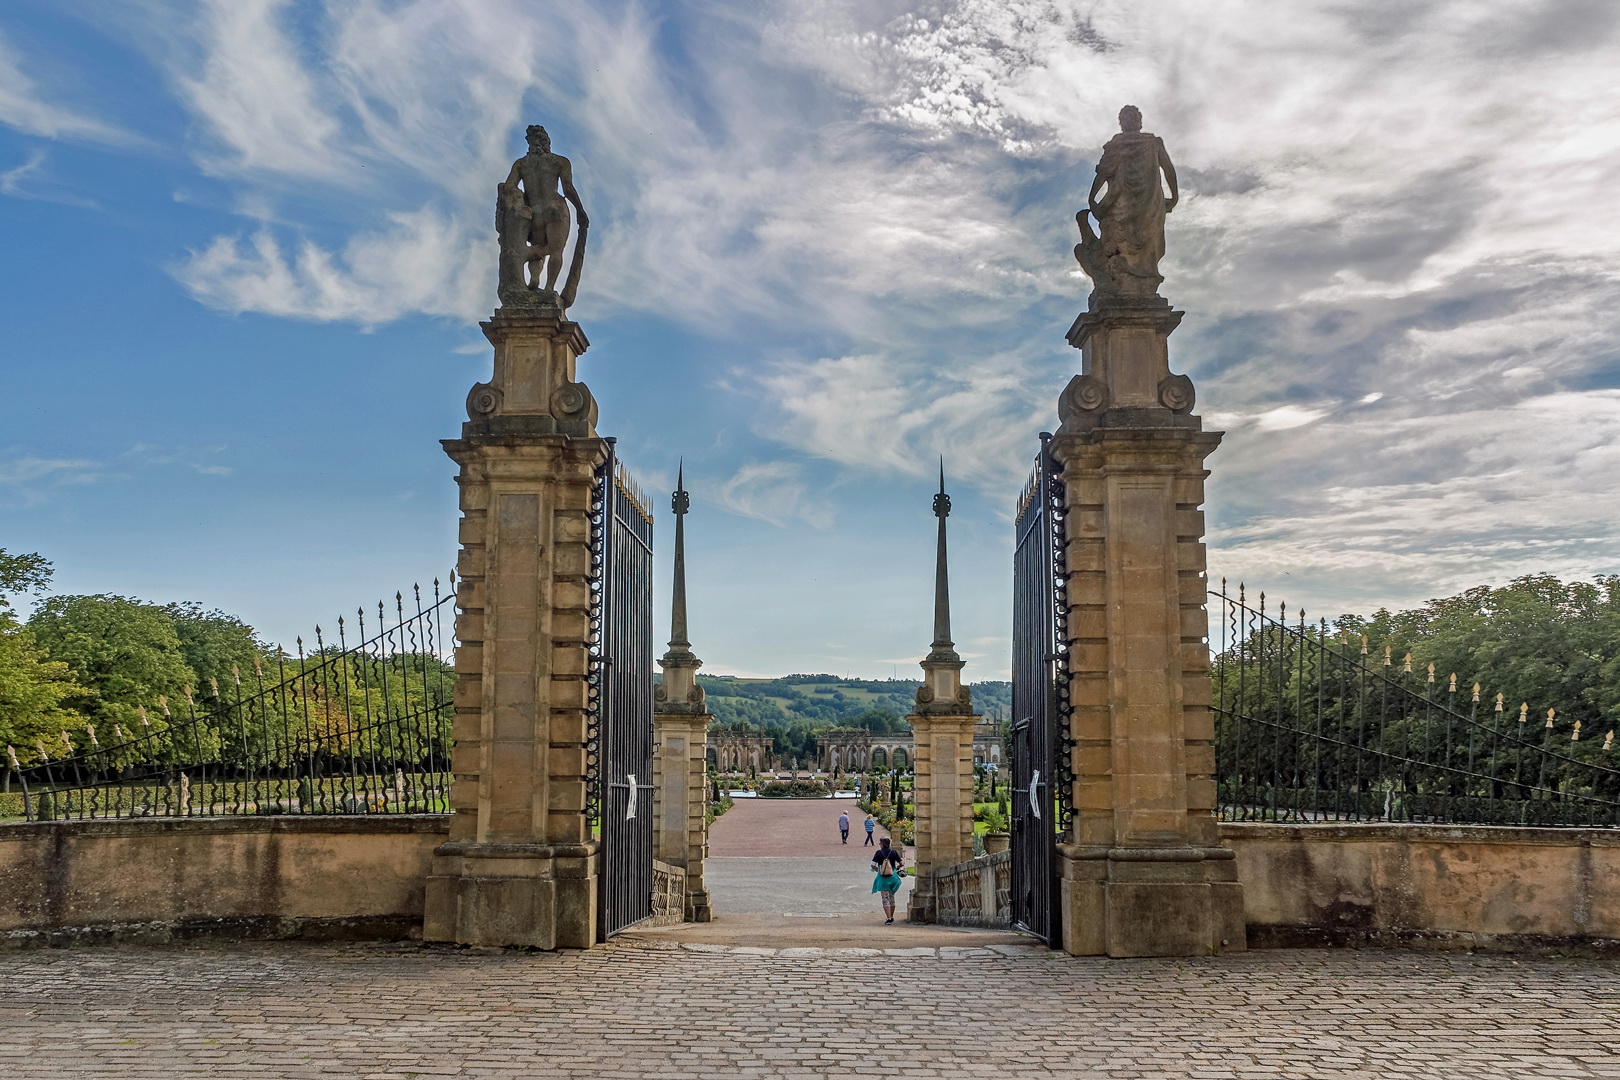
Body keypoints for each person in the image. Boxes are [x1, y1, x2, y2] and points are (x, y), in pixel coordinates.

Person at [870, 836, 905, 924]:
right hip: (892, 877)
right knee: (892, 897)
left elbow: (872, 865)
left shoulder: (878, 853)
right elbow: (901, 863)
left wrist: (877, 869)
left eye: (880, 843)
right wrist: (897, 867)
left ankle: (888, 917)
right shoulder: (893, 852)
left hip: (883, 878)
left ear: (882, 844)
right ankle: (892, 916)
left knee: (885, 898)